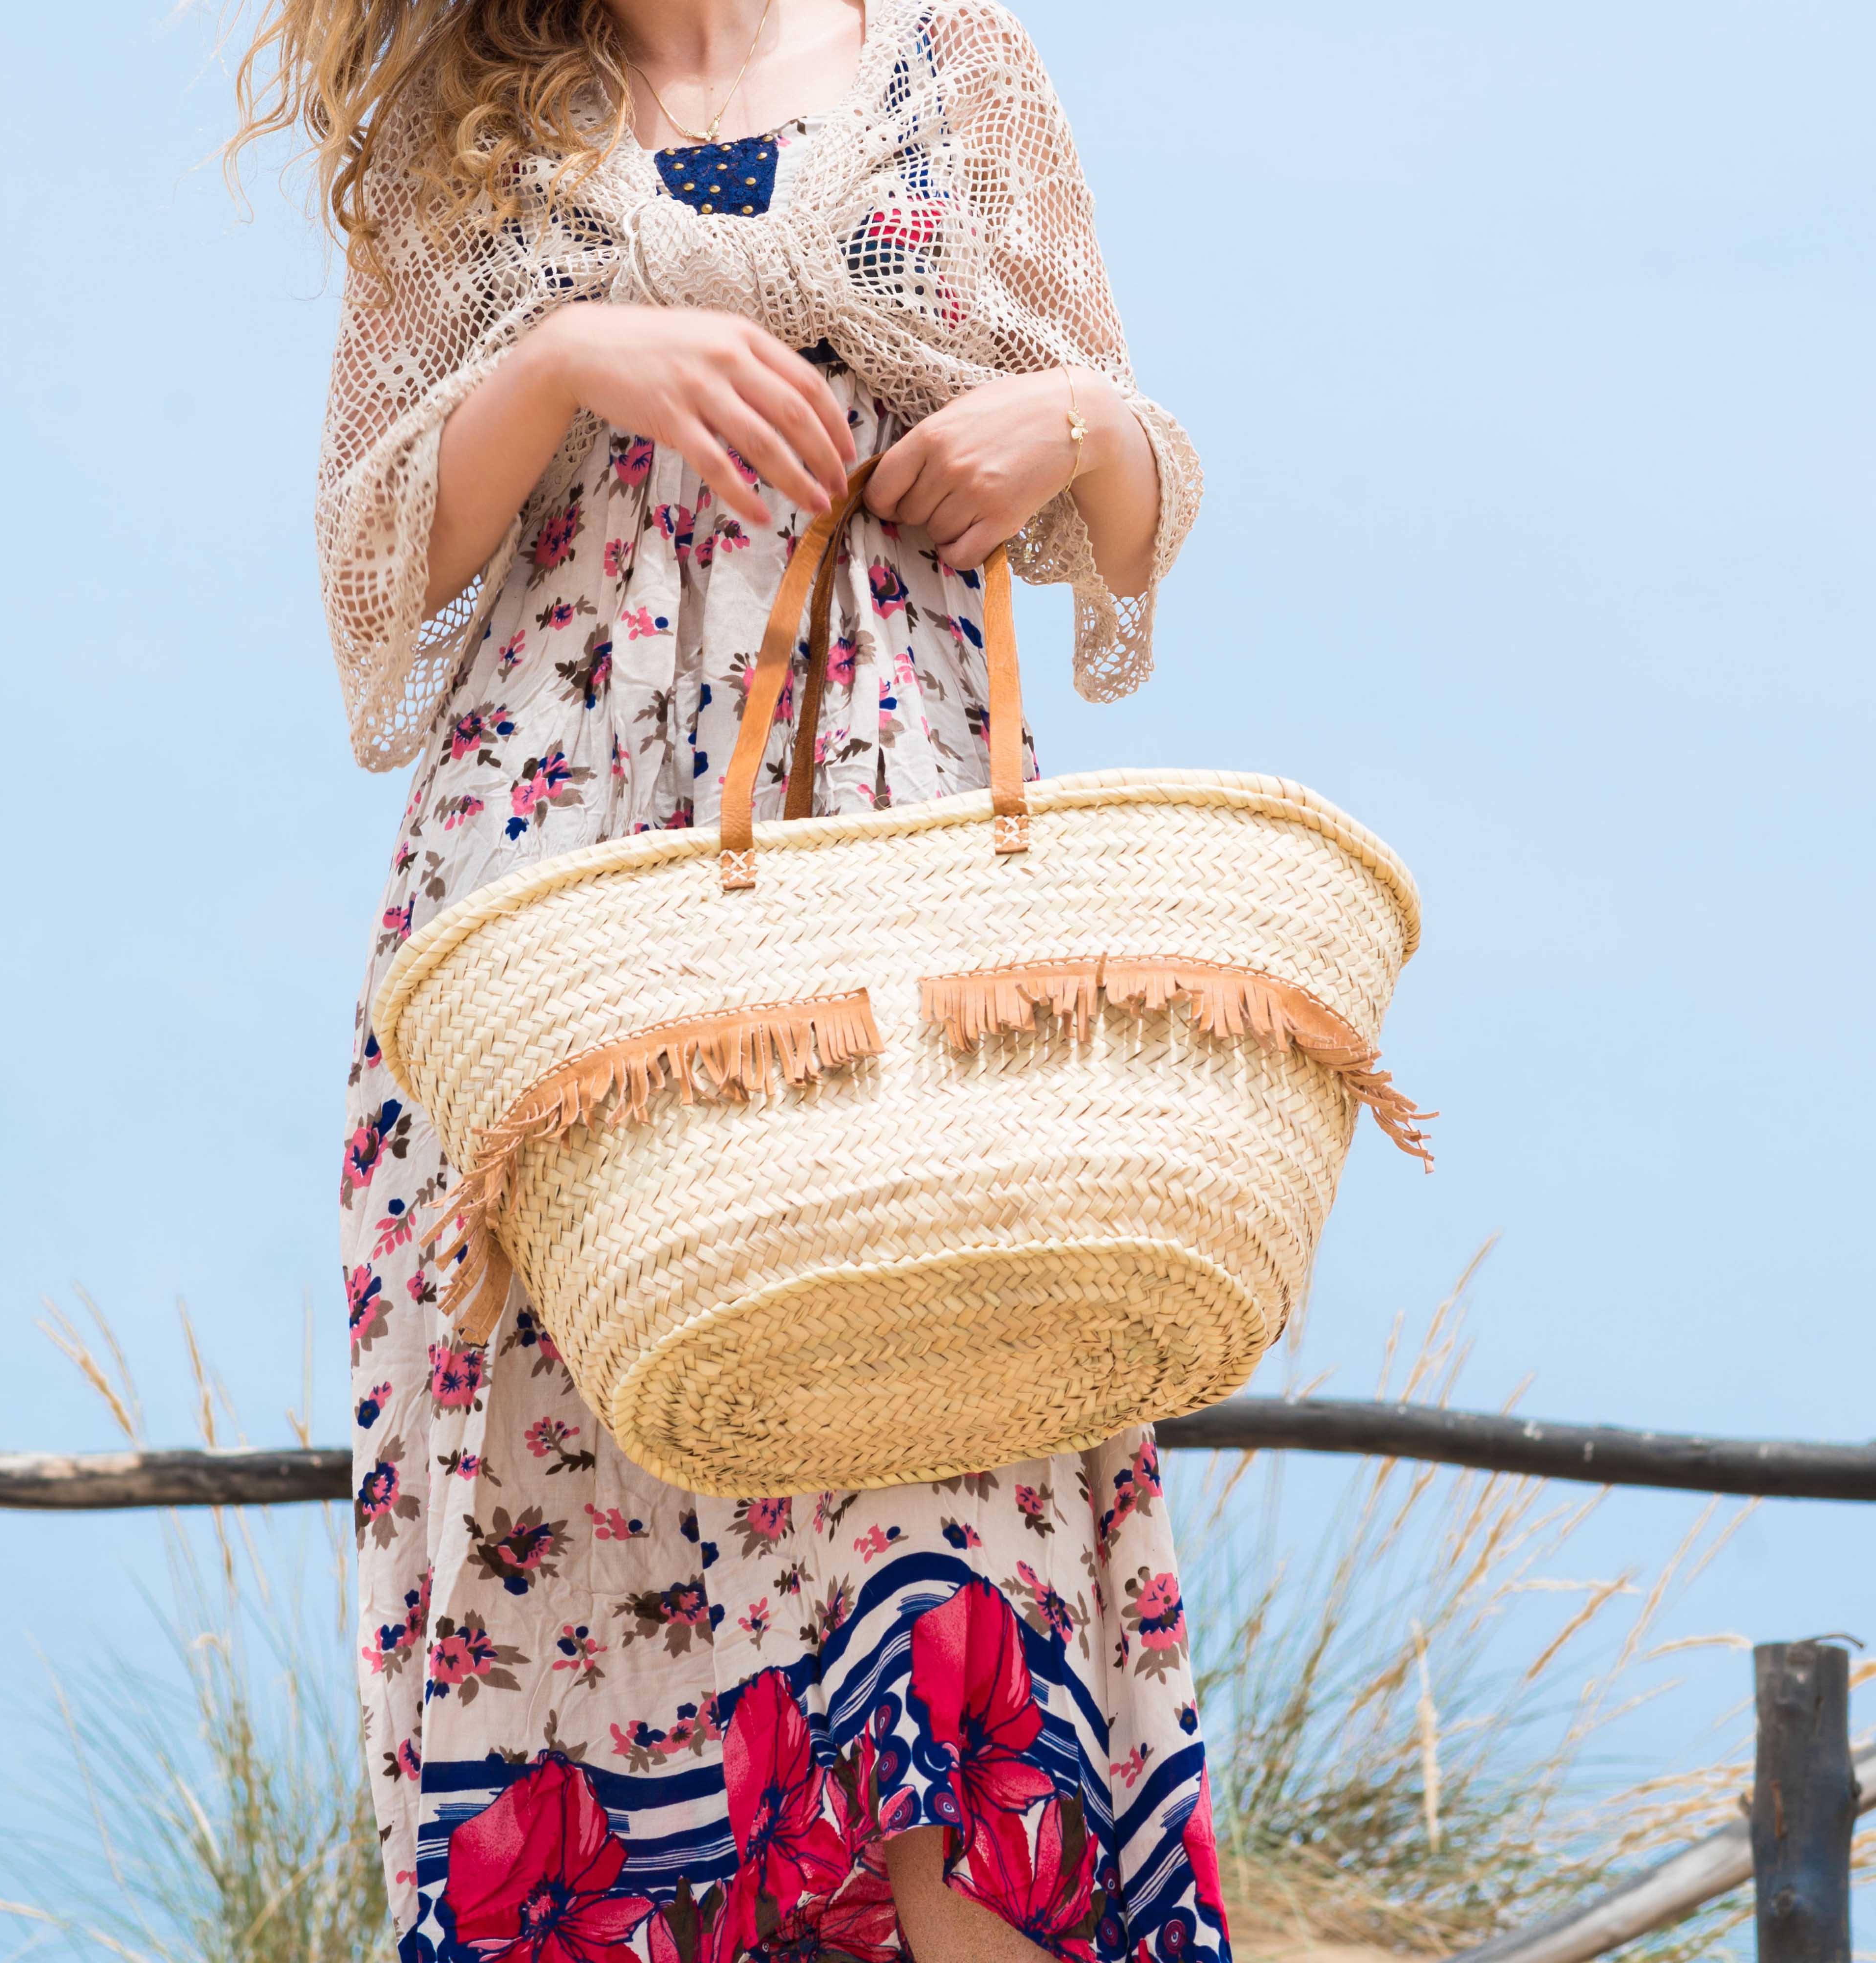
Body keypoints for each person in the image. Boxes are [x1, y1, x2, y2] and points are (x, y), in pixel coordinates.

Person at [235, 1, 1219, 1957]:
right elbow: (376, 558)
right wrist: (569, 357)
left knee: (957, 1522)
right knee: (583, 1567)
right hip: (565, 924)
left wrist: (1076, 425)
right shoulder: (478, 123)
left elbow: (1128, 495)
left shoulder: (950, 61)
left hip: (894, 883)